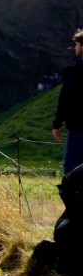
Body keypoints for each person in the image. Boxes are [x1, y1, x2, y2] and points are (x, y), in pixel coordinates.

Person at [57, 29, 83, 176]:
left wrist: (57, 123)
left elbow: (64, 98)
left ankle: (74, 198)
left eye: (77, 45)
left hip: (78, 129)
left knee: (71, 170)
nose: (75, 48)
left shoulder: (74, 71)